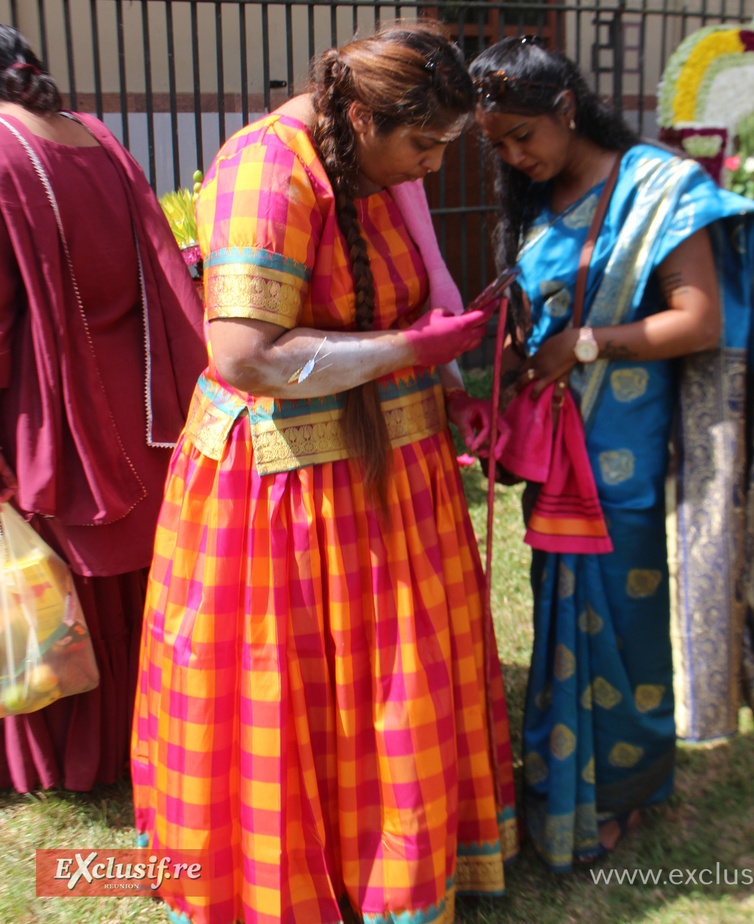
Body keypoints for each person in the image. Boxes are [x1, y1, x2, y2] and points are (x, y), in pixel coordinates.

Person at [131, 21, 518, 924]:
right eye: (422, 145)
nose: (432, 167)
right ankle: (297, 875)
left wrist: (449, 379)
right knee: (301, 691)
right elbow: (246, 357)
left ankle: (400, 861)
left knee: (398, 680)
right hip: (287, 489)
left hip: (398, 466)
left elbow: (412, 297)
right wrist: (412, 351)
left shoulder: (377, 166)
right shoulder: (268, 171)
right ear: (358, 113)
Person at [470, 36, 754, 867]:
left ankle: (625, 791)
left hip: (629, 458)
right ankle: (559, 782)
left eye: (522, 135)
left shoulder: (660, 188)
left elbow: (700, 319)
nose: (511, 155)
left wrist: (586, 345)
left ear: (567, 109)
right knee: (559, 613)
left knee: (625, 625)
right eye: (495, 142)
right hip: (558, 455)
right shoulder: (538, 197)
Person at [0, 24, 206, 792]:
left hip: (49, 394)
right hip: (143, 387)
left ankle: (70, 753)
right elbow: (156, 257)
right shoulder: (95, 135)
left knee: (58, 577)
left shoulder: (2, 152)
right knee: (142, 576)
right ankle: (152, 727)